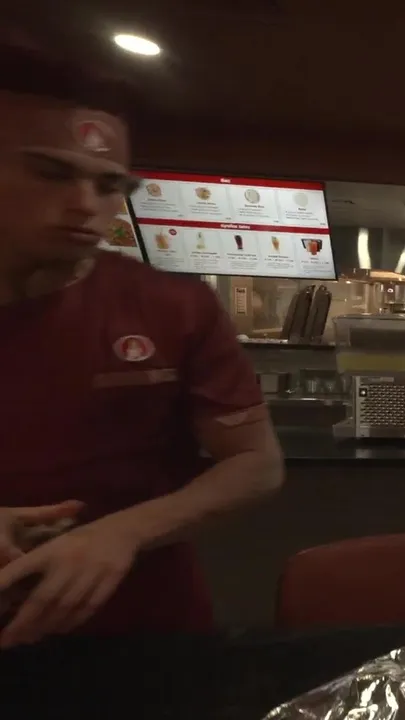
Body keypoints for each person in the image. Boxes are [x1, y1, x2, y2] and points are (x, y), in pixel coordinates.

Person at [0, 39, 284, 647]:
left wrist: (121, 533)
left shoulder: (172, 306)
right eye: (50, 173)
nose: (85, 205)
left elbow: (256, 463)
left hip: (144, 624)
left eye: (109, 185)